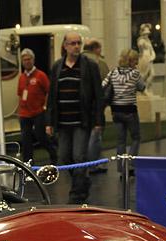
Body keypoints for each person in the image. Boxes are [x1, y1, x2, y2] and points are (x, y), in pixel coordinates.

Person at [46, 31, 104, 204]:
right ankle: (82, 182)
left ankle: (76, 194)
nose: (77, 46)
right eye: (73, 43)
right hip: (62, 122)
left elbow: (98, 95)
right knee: (65, 157)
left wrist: (99, 121)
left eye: (79, 43)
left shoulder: (89, 65)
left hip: (81, 121)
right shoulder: (57, 66)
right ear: (65, 46)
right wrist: (49, 122)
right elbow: (52, 96)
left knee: (79, 156)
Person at [102, 48, 145, 176]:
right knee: (136, 137)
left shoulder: (113, 72)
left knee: (121, 141)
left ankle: (121, 168)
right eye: (135, 60)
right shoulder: (135, 73)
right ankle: (130, 164)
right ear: (131, 61)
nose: (136, 62)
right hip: (130, 110)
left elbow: (103, 85)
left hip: (116, 110)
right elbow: (142, 87)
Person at [16, 48, 56, 165]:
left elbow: (48, 91)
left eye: (29, 59)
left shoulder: (41, 75)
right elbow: (20, 95)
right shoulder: (22, 77)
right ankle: (28, 162)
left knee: (40, 136)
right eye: (24, 60)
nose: (27, 62)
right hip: (24, 113)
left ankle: (53, 153)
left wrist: (45, 106)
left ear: (33, 60)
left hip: (38, 111)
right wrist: (19, 112)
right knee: (25, 139)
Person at [83, 38, 110, 171]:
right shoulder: (99, 62)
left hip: (79, 106)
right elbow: (107, 83)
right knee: (95, 135)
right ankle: (93, 165)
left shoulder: (76, 61)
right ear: (95, 48)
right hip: (95, 105)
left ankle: (83, 162)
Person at [137, 23, 156, 91]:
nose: (147, 35)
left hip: (149, 59)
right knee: (144, 74)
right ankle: (142, 89)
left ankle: (145, 87)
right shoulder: (141, 41)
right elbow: (140, 48)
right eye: (145, 34)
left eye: (147, 34)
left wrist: (152, 57)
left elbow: (152, 50)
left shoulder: (148, 41)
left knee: (152, 74)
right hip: (144, 58)